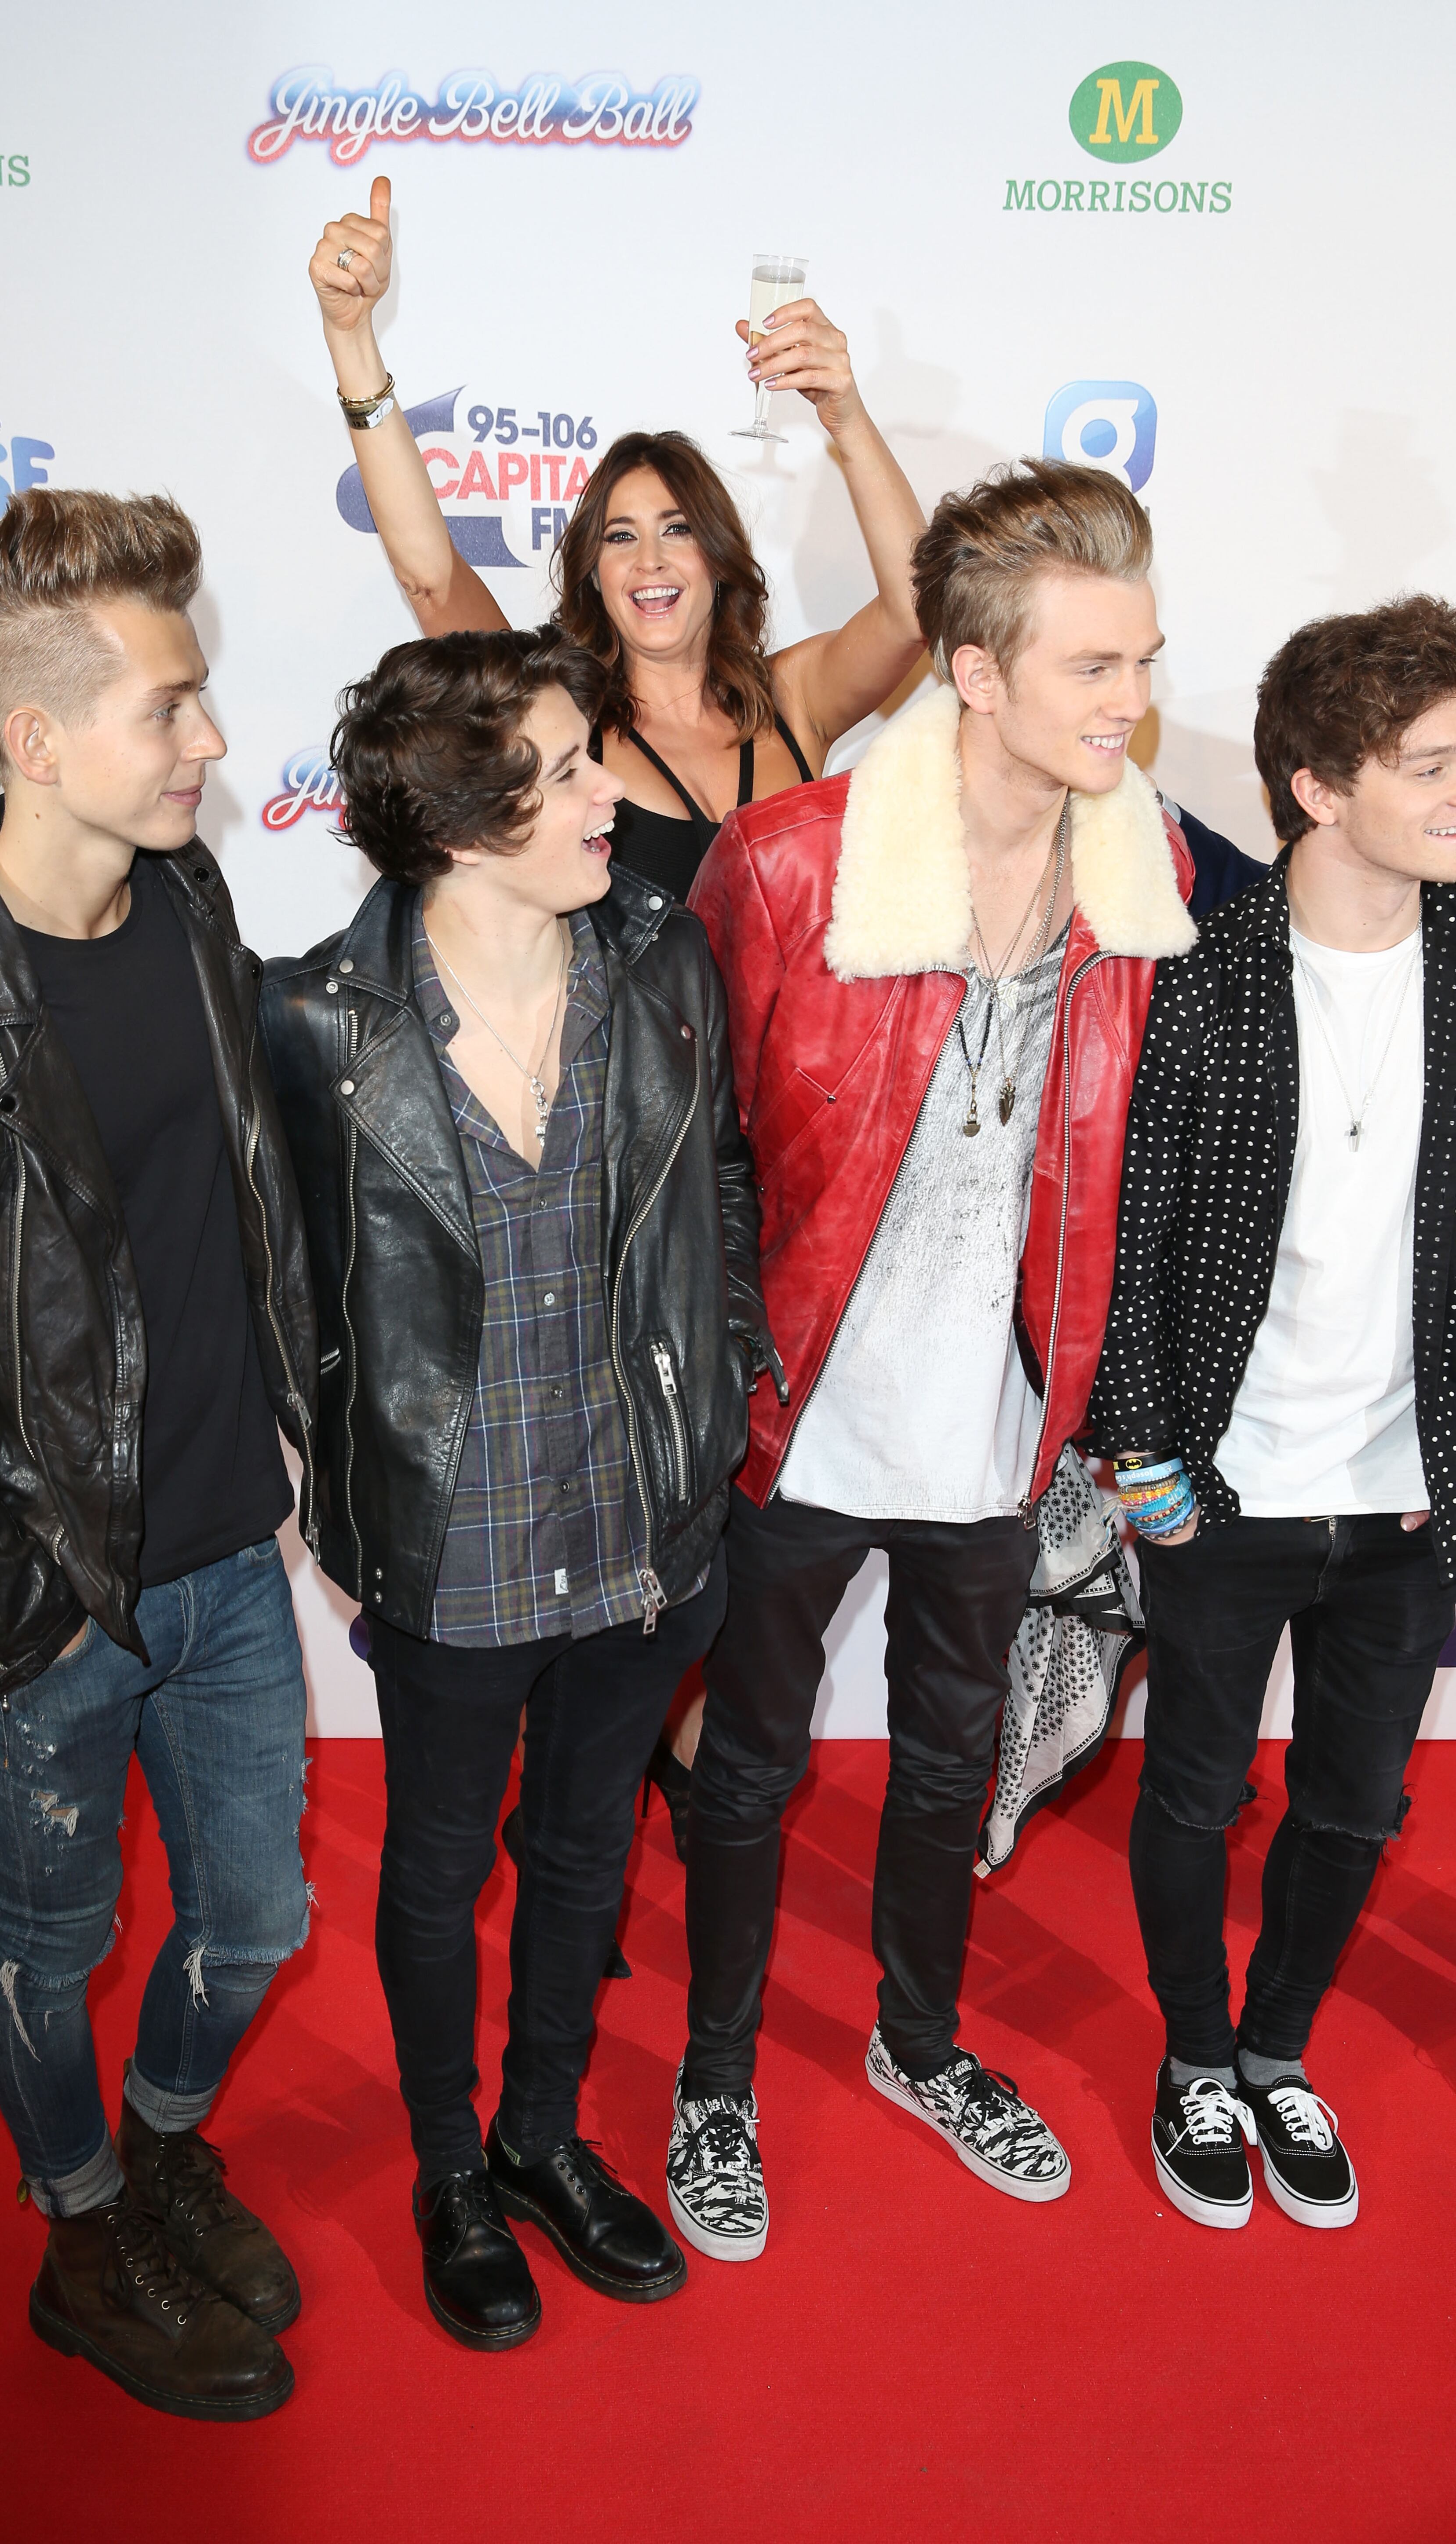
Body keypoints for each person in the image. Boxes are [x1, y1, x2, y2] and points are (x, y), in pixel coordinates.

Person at [0, 490, 319, 2420]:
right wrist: (9, 1598)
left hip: (231, 1559)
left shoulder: (189, 911)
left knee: (254, 1914)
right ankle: (82, 2227)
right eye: (172, 708)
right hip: (52, 1603)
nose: (209, 747)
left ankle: (162, 2143)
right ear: (34, 740)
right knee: (54, 1934)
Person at [309, 174, 926, 1830]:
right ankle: (599, 1784)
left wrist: (849, 406)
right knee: (637, 1484)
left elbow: (935, 611)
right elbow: (431, 569)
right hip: (622, 1157)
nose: (650, 558)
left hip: (791, 1153)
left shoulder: (795, 703)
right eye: (619, 533)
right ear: (592, 566)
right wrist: (356, 346)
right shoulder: (565, 707)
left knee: (719, 1509)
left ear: (724, 555)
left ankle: (638, 1765)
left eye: (677, 528)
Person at [664, 458, 1199, 2264]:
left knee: (951, 1761)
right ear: (974, 673)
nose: (1134, 702)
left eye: (1143, 661)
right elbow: (695, 1156)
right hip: (795, 1421)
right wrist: (727, 1378)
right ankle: (715, 2088)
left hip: (996, 1427)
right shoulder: (790, 863)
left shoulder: (1150, 873)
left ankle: (917, 2044)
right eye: (1093, 668)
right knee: (744, 1770)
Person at [259, 625, 781, 2349]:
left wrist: (716, 1388)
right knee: (435, 1872)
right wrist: (337, 1463)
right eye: (563, 773)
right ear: (466, 824)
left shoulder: (659, 961)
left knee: (579, 1856)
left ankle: (542, 2137)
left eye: (590, 758)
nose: (609, 795)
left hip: (644, 1515)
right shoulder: (316, 1024)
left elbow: (718, 1175)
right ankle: (446, 2173)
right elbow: (277, 1286)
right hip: (450, 1539)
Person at [1089, 595, 1456, 2231]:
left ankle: (1281, 2050)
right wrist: (1141, 1450)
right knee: (1191, 1792)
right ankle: (1191, 2061)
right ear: (1318, 786)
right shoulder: (1197, 975)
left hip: (1409, 1499)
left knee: (1360, 1802)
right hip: (1223, 1490)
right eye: (1432, 767)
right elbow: (1124, 1226)